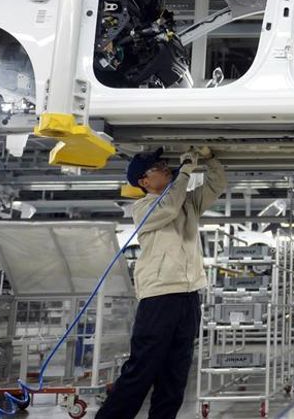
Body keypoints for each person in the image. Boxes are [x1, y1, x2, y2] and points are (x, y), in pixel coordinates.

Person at [95, 147, 226, 419]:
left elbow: (217, 185)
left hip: (189, 295)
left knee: (175, 373)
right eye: (159, 167)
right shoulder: (142, 207)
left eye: (166, 164)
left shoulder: (187, 202)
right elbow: (168, 209)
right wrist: (186, 171)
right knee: (142, 368)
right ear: (143, 181)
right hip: (159, 297)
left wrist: (211, 160)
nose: (166, 168)